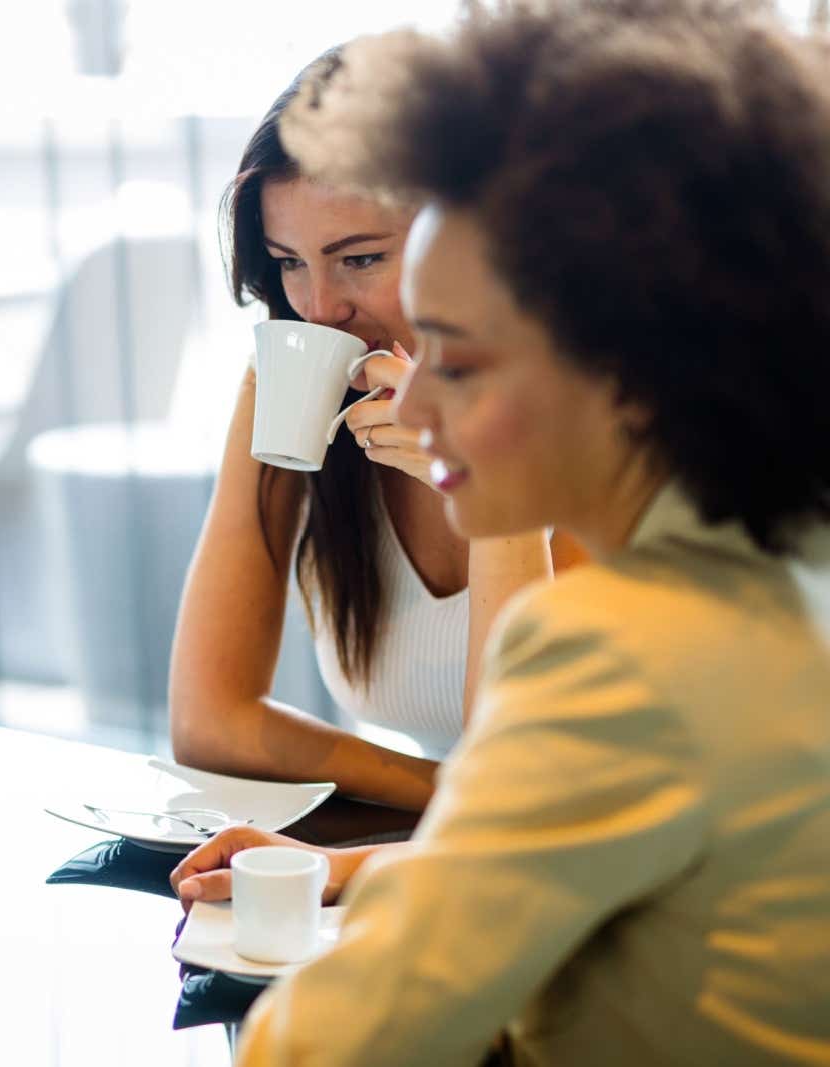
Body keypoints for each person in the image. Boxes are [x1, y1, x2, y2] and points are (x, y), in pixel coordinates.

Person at [176, 2, 830, 1063]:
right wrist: (393, 861)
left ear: (624, 359)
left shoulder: (614, 651)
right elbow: (612, 848)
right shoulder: (790, 563)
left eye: (463, 359)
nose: (417, 400)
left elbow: (323, 1046)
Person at [169, 53, 583, 816]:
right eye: (290, 263)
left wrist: (491, 497)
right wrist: (443, 792)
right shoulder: (289, 382)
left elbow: (535, 763)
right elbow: (207, 719)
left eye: (360, 258)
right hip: (460, 851)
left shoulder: (582, 410)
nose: (320, 308)